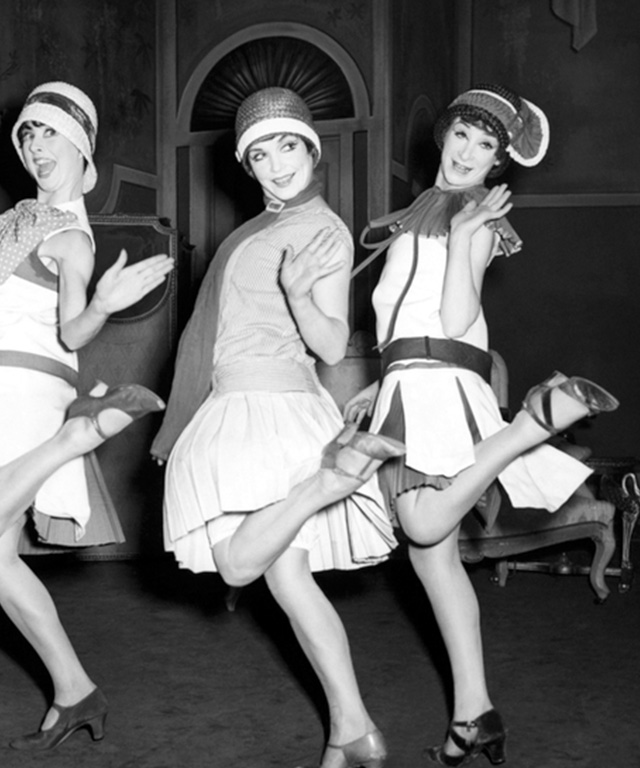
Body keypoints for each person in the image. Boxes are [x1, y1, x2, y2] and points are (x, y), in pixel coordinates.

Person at [344, 84, 618, 766]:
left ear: (499, 162)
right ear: (444, 136)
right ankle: (475, 714)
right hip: (411, 379)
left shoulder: (476, 217)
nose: (468, 152)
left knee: (421, 525)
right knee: (432, 560)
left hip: (440, 386)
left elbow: (458, 318)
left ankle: (528, 427)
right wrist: (379, 382)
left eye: (486, 144)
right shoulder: (420, 213)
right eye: (462, 134)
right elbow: (409, 318)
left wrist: (469, 236)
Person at [0, 81, 174, 751]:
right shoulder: (22, 223)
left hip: (21, 391)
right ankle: (76, 690)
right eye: (28, 135)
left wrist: (102, 304)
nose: (36, 146)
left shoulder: (69, 236)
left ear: (82, 146)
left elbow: (73, 331)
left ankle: (76, 437)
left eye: (51, 132)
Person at [151, 87, 405, 768]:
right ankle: (352, 729)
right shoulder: (259, 229)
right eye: (260, 154)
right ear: (248, 166)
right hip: (240, 400)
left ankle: (326, 482)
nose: (276, 163)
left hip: (268, 404)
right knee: (290, 583)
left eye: (287, 146)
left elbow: (330, 345)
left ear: (312, 151)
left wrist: (297, 293)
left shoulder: (321, 229)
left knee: (239, 562)